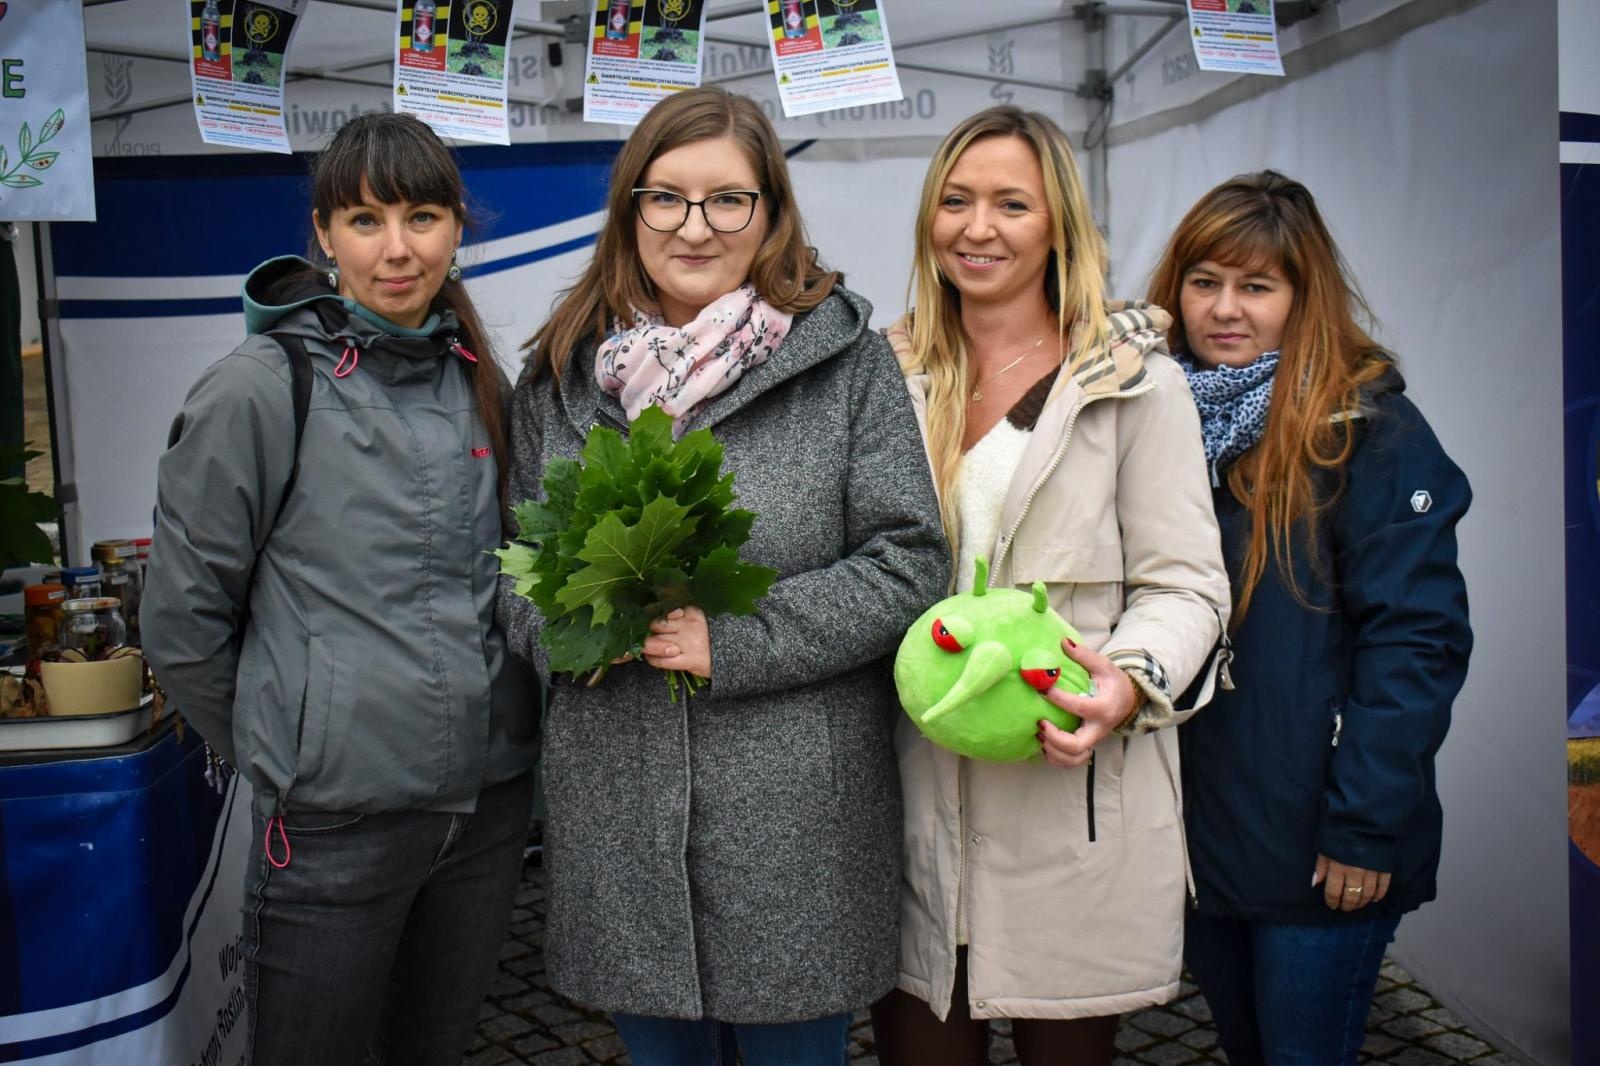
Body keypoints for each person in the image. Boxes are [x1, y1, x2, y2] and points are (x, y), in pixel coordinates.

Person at [497, 86, 948, 1066]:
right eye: (666, 198)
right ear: (630, 211)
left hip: (794, 814)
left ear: (770, 213)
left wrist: (734, 638)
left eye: (726, 200)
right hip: (621, 810)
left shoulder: (844, 365)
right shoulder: (563, 374)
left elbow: (909, 561)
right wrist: (569, 632)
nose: (694, 227)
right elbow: (516, 573)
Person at [142, 112, 538, 1066]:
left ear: (457, 227)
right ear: (323, 234)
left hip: (487, 807)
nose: (397, 250)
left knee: (432, 1051)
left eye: (423, 217)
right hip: (333, 823)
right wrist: (290, 753)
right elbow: (182, 620)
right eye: (365, 221)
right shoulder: (259, 388)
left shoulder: (481, 379)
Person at [871, 106, 1231, 1065]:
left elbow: (1188, 586)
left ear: (1059, 226)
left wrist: (1127, 679)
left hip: (1069, 795)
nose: (976, 227)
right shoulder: (882, 374)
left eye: (1010, 204)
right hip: (908, 801)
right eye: (955, 200)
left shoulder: (1133, 387)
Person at [1147, 170, 1472, 1066]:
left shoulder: (1367, 429)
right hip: (1207, 838)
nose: (1225, 309)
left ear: (1303, 295)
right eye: (1205, 281)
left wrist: (1365, 826)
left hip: (1323, 842)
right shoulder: (1159, 423)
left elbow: (1416, 643)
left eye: (1257, 286)